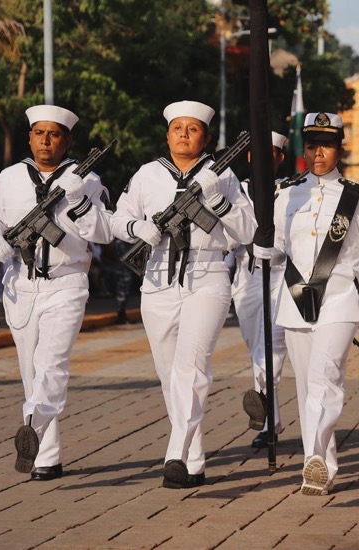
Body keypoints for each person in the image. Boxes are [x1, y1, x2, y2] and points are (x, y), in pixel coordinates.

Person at [111, 100, 256, 489]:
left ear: (205, 139)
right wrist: (137, 228)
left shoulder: (223, 176)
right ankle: (193, 461)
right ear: (167, 135)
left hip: (207, 276)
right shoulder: (147, 174)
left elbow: (247, 231)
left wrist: (218, 200)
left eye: (193, 129)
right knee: (169, 375)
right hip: (158, 279)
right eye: (178, 128)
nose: (184, 135)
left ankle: (175, 452)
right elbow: (117, 219)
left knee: (191, 368)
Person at [254, 112, 359, 495]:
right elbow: (278, 250)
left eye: (326, 146)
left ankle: (313, 457)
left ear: (339, 150)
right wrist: (263, 250)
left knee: (325, 378)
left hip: (340, 299)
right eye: (312, 145)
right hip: (296, 299)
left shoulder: (358, 198)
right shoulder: (285, 193)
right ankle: (323, 467)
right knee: (307, 388)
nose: (318, 153)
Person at [0, 104, 114, 481]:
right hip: (21, 283)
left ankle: (31, 428)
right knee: (31, 373)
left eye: (54, 134)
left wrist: (80, 202)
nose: (45, 141)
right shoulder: (9, 177)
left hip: (66, 282)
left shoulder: (85, 179)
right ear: (29, 138)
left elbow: (105, 232)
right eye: (39, 133)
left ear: (67, 140)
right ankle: (47, 456)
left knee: (52, 364)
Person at [235, 131, 291, 449]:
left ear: (280, 158)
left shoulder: (290, 191)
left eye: (270, 154)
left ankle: (266, 420)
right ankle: (272, 420)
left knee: (269, 348)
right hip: (246, 276)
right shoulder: (236, 190)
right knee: (255, 348)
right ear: (249, 156)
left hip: (280, 276)